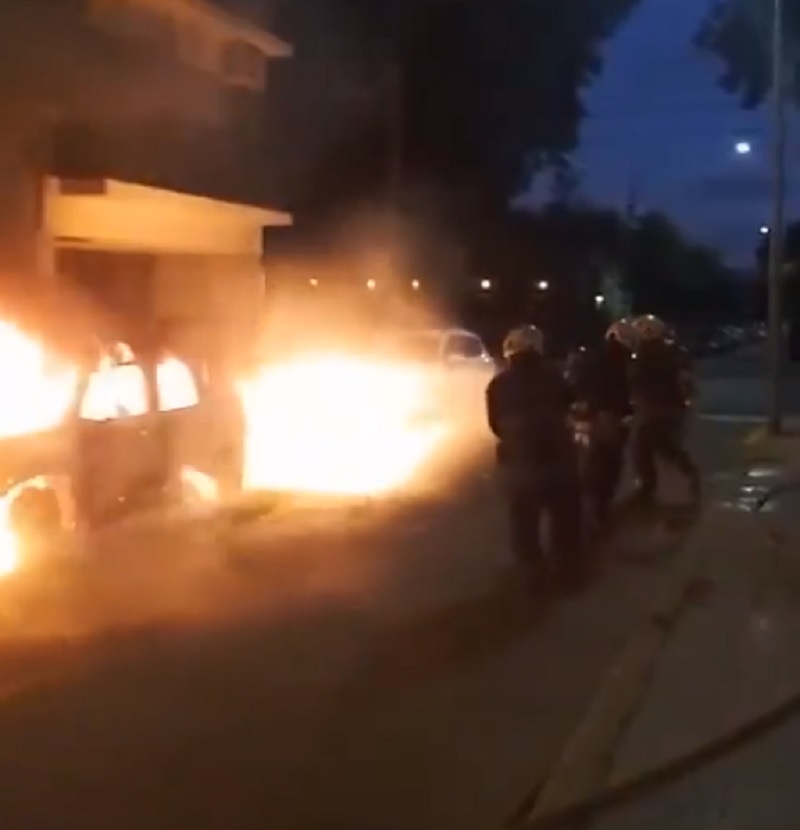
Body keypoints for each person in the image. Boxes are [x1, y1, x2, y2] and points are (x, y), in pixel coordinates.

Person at [486, 324, 583, 587]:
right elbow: (570, 405)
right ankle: (566, 570)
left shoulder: (497, 384)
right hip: (559, 460)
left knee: (524, 520)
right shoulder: (555, 376)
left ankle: (533, 572)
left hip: (520, 462)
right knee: (565, 515)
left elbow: (495, 425)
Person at [569, 318, 637, 529]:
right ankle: (599, 511)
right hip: (608, 418)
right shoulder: (621, 362)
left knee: (588, 463)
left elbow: (573, 384)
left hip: (584, 416)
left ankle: (580, 509)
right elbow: (623, 393)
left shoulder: (589, 357)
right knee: (609, 465)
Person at [628, 314, 701, 504]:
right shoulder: (671, 351)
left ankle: (648, 484)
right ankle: (689, 473)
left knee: (641, 447)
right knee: (664, 446)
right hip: (669, 406)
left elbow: (637, 379)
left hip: (654, 406)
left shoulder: (646, 353)